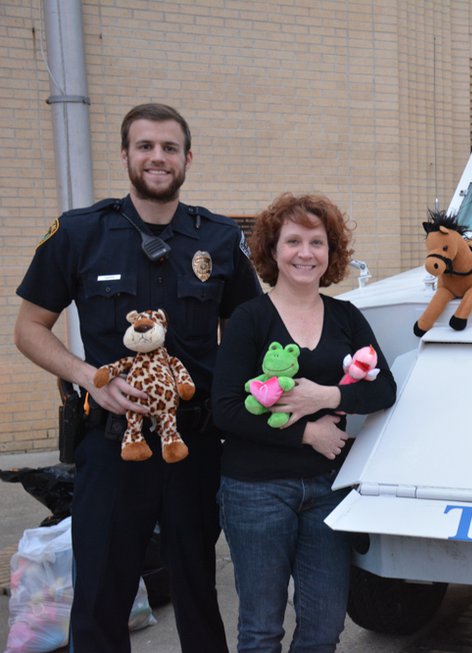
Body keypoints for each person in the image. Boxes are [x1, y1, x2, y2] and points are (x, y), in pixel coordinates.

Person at [14, 103, 260, 651]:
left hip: (194, 446)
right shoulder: (79, 233)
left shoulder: (218, 240)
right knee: (102, 593)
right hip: (109, 447)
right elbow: (29, 327)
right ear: (125, 154)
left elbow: (245, 335)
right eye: (145, 146)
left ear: (187, 159)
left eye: (169, 148)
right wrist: (88, 376)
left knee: (198, 587)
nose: (157, 157)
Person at [211, 192, 396, 652]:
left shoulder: (347, 317)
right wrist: (307, 432)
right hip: (256, 492)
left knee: (324, 627)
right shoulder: (249, 319)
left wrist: (327, 394)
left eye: (317, 242)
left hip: (327, 492)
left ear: (331, 253)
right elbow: (227, 410)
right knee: (261, 629)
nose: (305, 253)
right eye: (293, 241)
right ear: (273, 250)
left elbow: (384, 390)